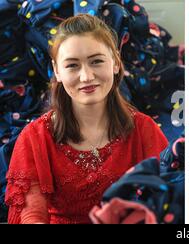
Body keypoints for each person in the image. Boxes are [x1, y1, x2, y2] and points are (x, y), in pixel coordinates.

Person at [5, 14, 168, 224]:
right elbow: (31, 213)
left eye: (97, 61)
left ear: (116, 62)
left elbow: (162, 202)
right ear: (57, 70)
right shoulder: (35, 137)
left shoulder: (144, 129)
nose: (86, 76)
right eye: (72, 65)